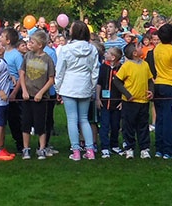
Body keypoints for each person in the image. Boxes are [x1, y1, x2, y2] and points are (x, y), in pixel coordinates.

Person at [55, 20, 99, 161]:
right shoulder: (92, 49)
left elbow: (60, 71)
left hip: (69, 86)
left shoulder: (66, 49)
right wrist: (92, 87)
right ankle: (90, 150)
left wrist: (58, 88)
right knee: (84, 119)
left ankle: (76, 151)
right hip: (84, 85)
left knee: (72, 120)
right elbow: (95, 71)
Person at [19, 30, 55, 160]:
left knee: (40, 124)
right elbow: (22, 73)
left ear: (40, 45)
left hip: (41, 97)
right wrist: (24, 90)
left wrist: (41, 93)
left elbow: (51, 79)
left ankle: (41, 148)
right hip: (27, 95)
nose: (29, 44)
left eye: (32, 42)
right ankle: (26, 148)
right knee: (26, 123)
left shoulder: (47, 59)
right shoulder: (27, 56)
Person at [115, 42, 154, 159]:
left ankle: (144, 148)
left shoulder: (145, 64)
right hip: (130, 102)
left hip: (143, 101)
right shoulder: (126, 66)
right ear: (135, 53)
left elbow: (150, 80)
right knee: (128, 126)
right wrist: (127, 94)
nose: (142, 47)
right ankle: (129, 148)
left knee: (143, 126)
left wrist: (151, 91)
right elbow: (117, 81)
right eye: (139, 47)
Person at [152, 24, 172, 159]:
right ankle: (170, 150)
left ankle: (159, 148)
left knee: (160, 118)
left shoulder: (157, 49)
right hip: (171, 85)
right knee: (170, 119)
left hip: (158, 84)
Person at [97, 46, 123, 158]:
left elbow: (125, 85)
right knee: (104, 125)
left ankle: (114, 144)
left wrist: (122, 101)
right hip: (104, 102)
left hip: (117, 102)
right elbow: (99, 83)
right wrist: (97, 98)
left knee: (115, 125)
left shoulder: (121, 68)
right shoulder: (103, 67)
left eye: (108, 53)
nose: (105, 54)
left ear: (113, 57)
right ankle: (104, 146)